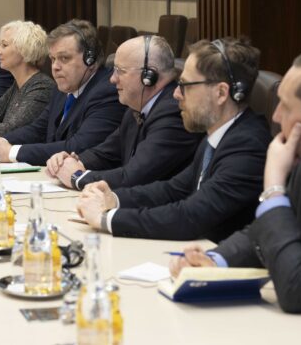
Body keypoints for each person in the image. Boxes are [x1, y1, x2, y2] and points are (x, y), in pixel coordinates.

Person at [169, 47, 301, 322]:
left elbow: (296, 288)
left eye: (286, 106)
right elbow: (263, 234)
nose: (275, 116)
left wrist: (274, 187)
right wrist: (215, 261)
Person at [77, 37, 271, 243]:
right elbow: (172, 190)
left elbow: (188, 217)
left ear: (221, 93)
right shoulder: (217, 136)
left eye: (185, 85)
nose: (176, 93)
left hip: (219, 257)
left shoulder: (248, 147)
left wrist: (106, 219)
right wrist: (113, 198)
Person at [45, 35, 201, 190]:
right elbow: (107, 153)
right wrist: (72, 161)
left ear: (148, 76)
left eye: (120, 71)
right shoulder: (136, 108)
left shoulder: (173, 113)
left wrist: (78, 177)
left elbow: (134, 176)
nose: (112, 79)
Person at [0, 19, 126, 166]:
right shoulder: (63, 88)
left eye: (64, 58)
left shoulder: (107, 93)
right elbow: (38, 130)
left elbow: (79, 146)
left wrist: (11, 152)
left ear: (90, 59)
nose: (55, 67)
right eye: (53, 59)